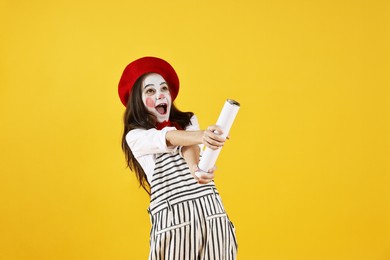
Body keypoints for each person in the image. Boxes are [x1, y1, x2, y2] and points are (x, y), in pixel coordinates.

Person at [118, 56, 237, 260]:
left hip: (211, 216)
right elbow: (168, 138)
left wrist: (195, 169)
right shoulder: (136, 136)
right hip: (174, 225)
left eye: (164, 88)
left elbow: (187, 145)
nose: (161, 95)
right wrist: (203, 136)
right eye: (150, 91)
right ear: (137, 100)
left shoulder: (188, 122)